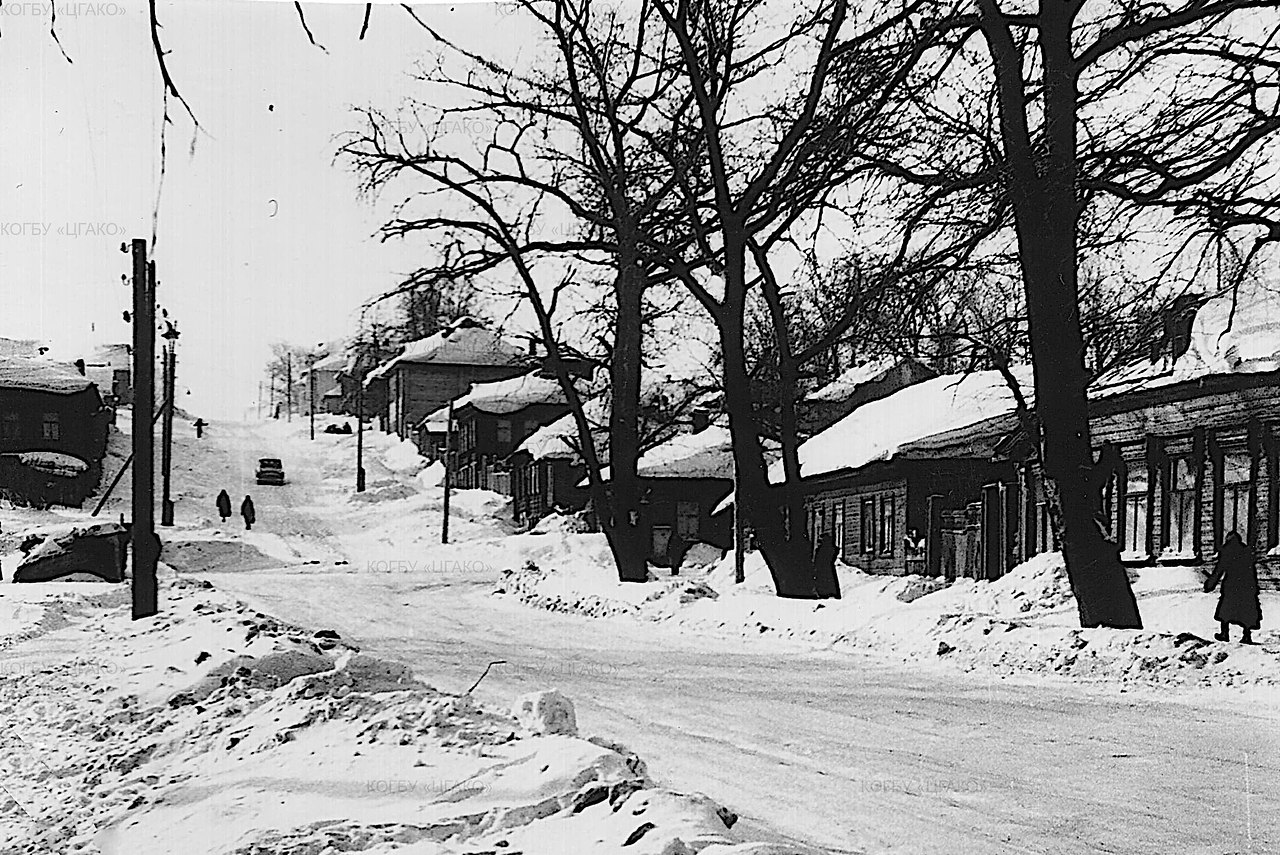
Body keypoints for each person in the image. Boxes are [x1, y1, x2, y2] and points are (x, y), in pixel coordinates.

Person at [1204, 531, 1262, 644]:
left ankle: (1224, 634)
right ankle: (1247, 635)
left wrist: (1209, 585)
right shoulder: (1246, 551)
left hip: (1231, 587)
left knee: (1226, 611)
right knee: (1246, 611)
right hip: (1246, 586)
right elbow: (1252, 571)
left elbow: (1219, 570)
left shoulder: (1227, 552)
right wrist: (1254, 587)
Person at [814, 531, 840, 599]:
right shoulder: (826, 549)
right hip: (825, 569)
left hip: (825, 568)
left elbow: (823, 559)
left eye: (820, 541)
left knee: (827, 581)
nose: (819, 543)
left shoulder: (826, 549)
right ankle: (825, 594)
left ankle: (827, 594)